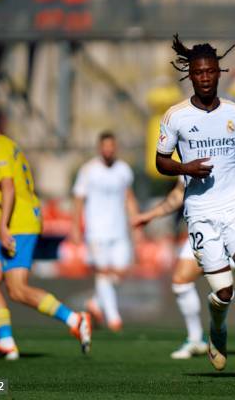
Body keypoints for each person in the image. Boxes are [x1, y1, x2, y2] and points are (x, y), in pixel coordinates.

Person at [154, 34, 235, 378]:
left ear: (218, 73)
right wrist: (186, 168)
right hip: (200, 212)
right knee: (223, 292)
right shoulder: (176, 117)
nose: (206, 77)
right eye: (199, 72)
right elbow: (161, 161)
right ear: (191, 75)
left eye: (211, 71)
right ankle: (218, 329)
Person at [0, 102, 92, 360]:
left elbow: (9, 188)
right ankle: (6, 343)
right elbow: (12, 191)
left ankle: (74, 319)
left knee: (17, 289)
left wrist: (1, 227)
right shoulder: (9, 145)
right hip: (17, 221)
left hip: (18, 225)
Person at [134, 165, 235, 359]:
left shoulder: (234, 139)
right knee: (181, 280)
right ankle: (196, 338)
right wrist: (150, 215)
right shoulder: (189, 145)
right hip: (204, 224)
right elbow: (179, 192)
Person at [71, 131, 140, 332]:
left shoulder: (124, 170)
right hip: (96, 231)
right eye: (105, 146)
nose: (108, 150)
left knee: (119, 272)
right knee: (102, 272)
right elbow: (78, 199)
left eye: (112, 146)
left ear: (115, 147)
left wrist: (136, 224)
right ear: (99, 147)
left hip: (118, 230)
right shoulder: (88, 170)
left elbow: (129, 197)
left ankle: (95, 302)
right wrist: (75, 227)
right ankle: (113, 318)